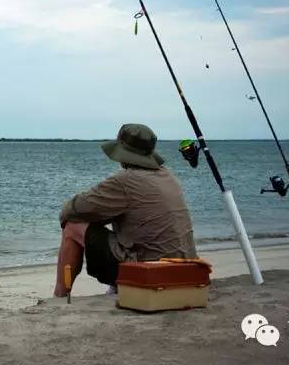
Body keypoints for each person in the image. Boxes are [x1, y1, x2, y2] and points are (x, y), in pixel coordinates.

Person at [54, 123, 197, 297]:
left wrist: (70, 214)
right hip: (187, 270)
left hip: (152, 274)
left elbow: (75, 209)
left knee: (72, 226)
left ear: (123, 154)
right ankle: (115, 287)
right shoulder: (168, 175)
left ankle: (60, 295)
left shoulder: (124, 180)